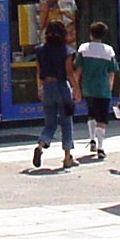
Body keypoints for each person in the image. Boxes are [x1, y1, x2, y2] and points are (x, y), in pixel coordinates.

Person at [31, 20, 82, 170]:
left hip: (47, 87)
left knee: (50, 123)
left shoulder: (40, 50)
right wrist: (77, 90)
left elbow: (39, 71)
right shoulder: (66, 51)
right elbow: (69, 73)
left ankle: (41, 145)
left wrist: (39, 88)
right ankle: (67, 157)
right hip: (61, 86)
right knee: (66, 122)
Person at [73, 22, 119, 160]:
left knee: (91, 114)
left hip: (88, 88)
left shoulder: (83, 49)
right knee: (102, 118)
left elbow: (78, 70)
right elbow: (112, 72)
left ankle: (92, 139)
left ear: (90, 34)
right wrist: (110, 87)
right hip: (103, 89)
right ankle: (100, 147)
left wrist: (75, 88)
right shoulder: (109, 51)